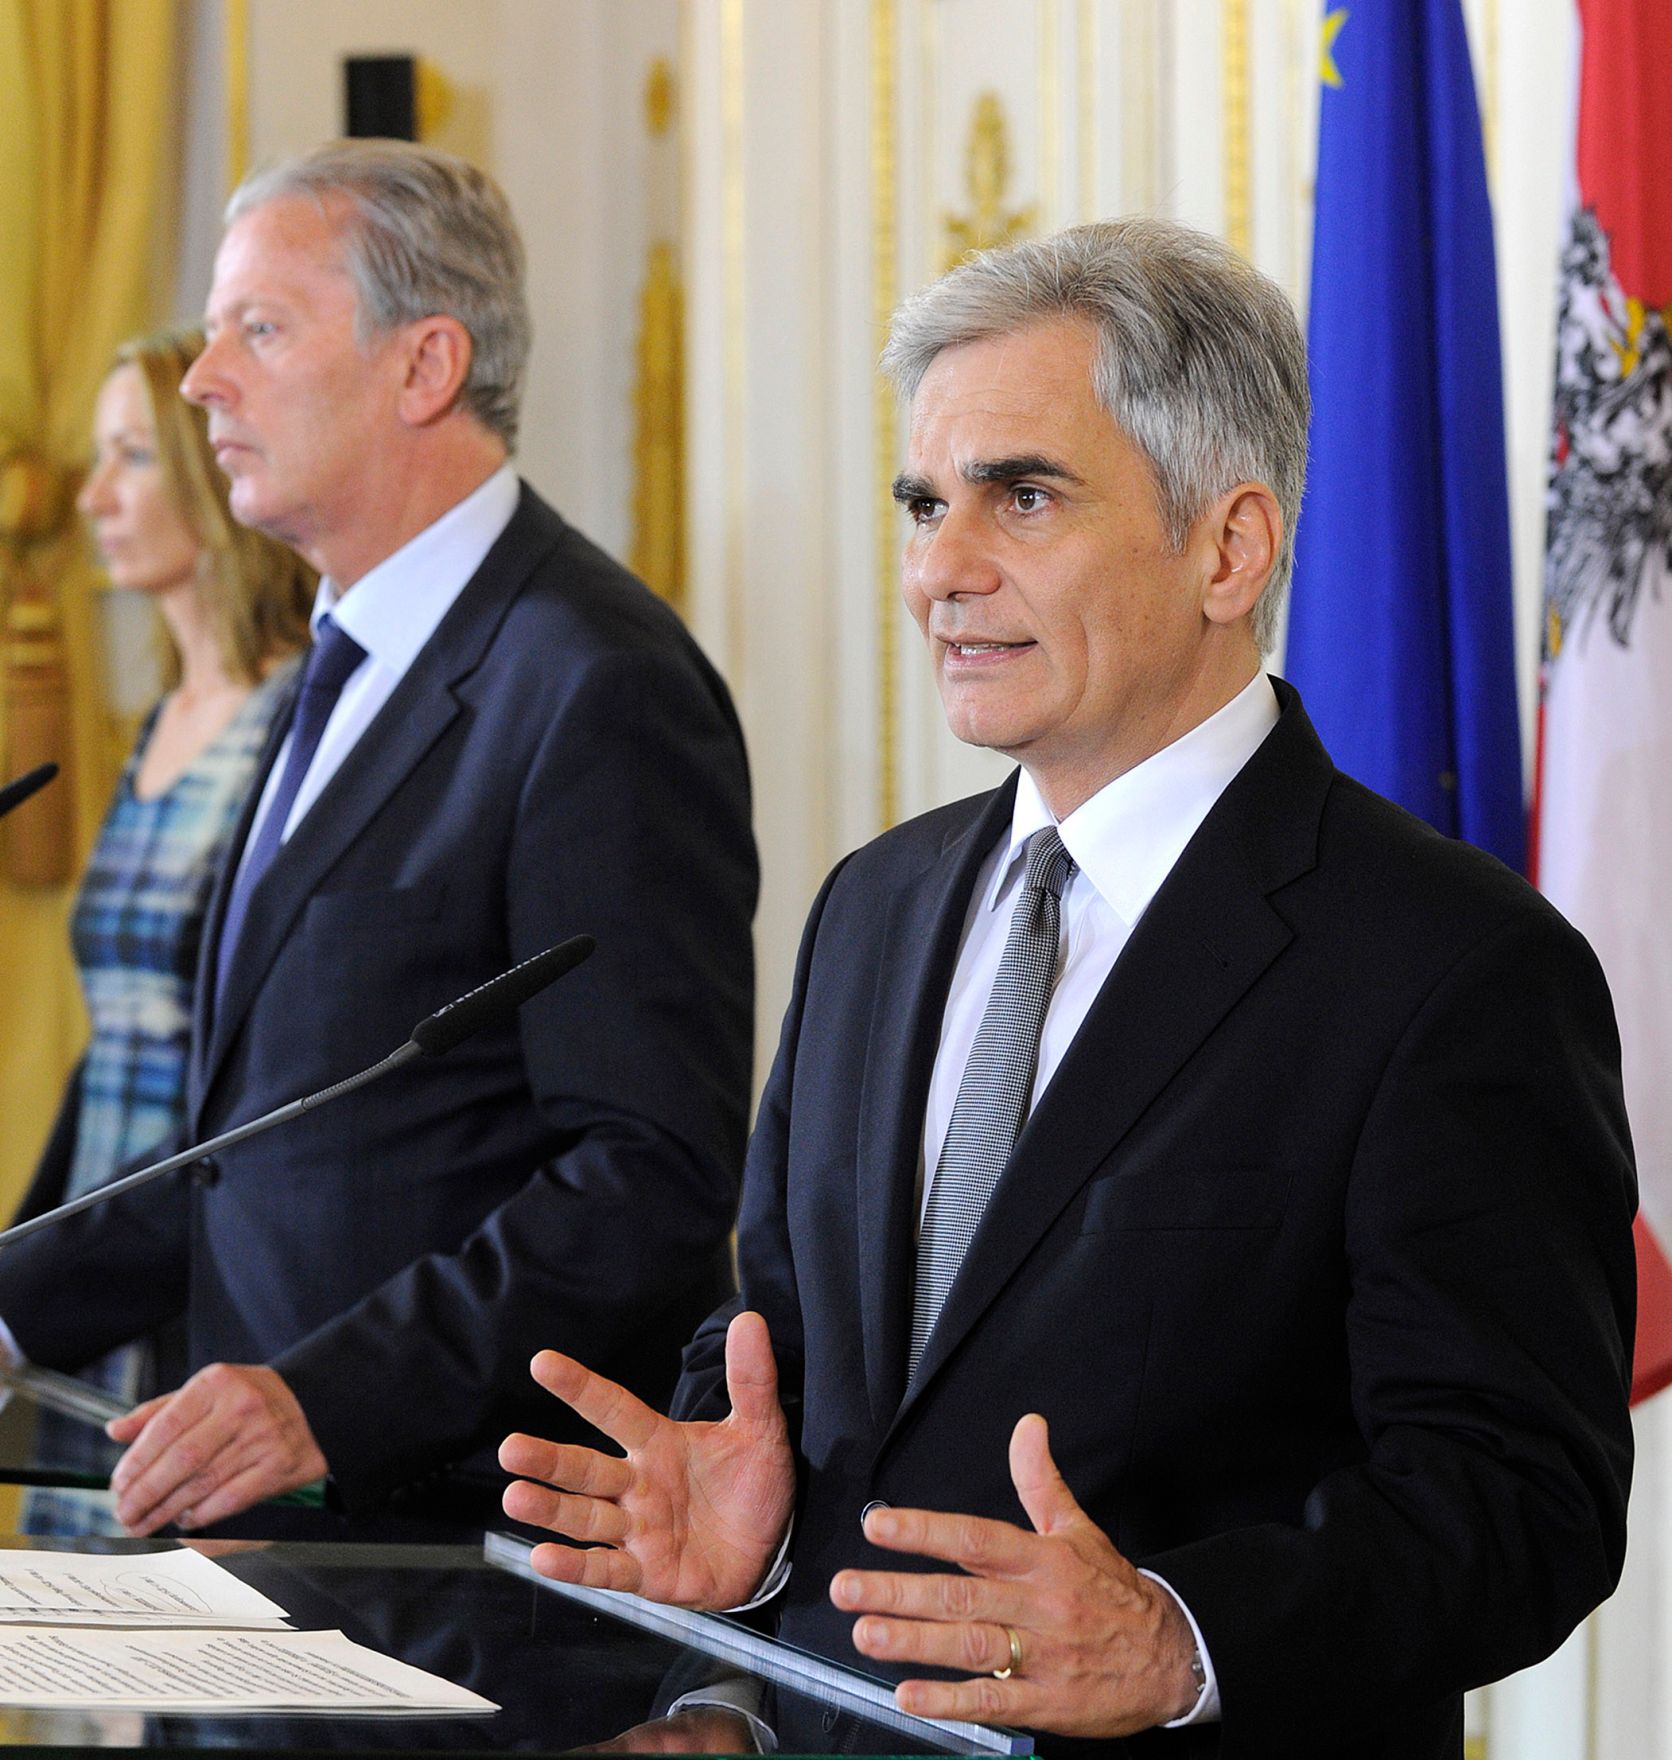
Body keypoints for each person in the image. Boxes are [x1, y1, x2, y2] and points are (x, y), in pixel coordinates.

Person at [498, 218, 1637, 1758]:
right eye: (923, 504)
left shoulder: (1456, 967)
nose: (941, 572)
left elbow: (1523, 1503)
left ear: (1230, 547)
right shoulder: (874, 907)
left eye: (1021, 497)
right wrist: (743, 1566)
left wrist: (1181, 1636)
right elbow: (772, 1347)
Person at [0, 140, 756, 1538]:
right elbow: (256, 1148)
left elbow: (647, 1175)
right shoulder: (330, 665)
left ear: (424, 368)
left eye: (259, 330)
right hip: (262, 1549)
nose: (200, 377)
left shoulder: (596, 684)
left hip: (454, 1553)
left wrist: (324, 1400)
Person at [12, 327, 315, 1534]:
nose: (92, 496)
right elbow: (113, 1041)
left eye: (132, 457)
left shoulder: (296, 714)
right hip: (91, 1249)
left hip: (204, 1261)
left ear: (209, 477)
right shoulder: (153, 722)